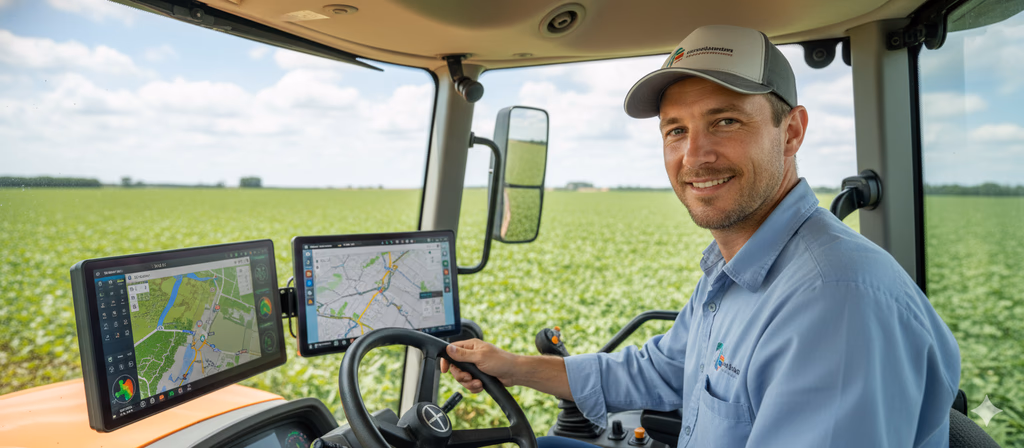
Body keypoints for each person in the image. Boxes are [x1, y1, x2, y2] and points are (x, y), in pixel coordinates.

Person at [441, 25, 961, 447]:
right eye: (676, 130)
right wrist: (514, 367)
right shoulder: (738, 266)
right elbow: (661, 370)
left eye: (726, 121)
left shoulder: (834, 303)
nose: (695, 156)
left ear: (792, 132)